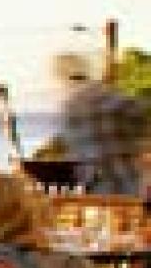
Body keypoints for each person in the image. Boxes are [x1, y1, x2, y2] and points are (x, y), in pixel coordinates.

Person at [54, 48, 148, 198]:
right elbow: (142, 132)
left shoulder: (70, 109)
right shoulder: (118, 99)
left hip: (97, 194)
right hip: (133, 189)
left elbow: (77, 157)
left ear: (61, 78)